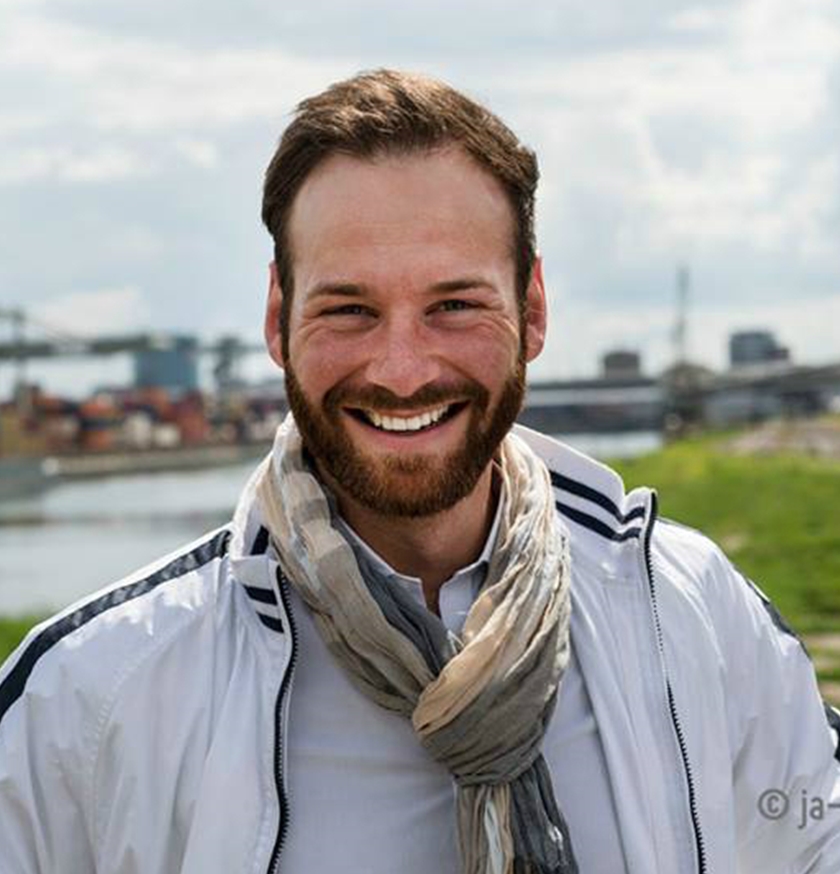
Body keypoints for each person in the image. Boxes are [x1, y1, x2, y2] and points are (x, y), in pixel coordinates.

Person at [1, 69, 838, 874]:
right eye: (349, 309)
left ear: (532, 310)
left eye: (455, 305)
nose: (402, 372)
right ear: (277, 319)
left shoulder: (695, 616)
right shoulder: (86, 698)